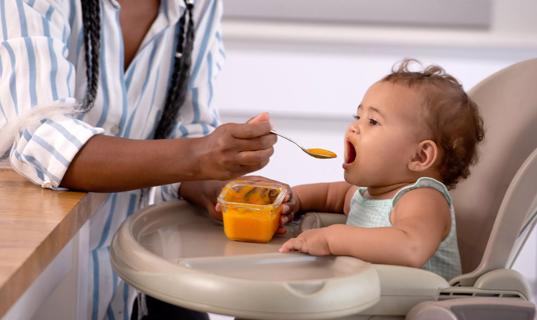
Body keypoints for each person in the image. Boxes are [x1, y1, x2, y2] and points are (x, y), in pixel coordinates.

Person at [0, 0, 276, 319]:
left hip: (135, 284)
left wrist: (218, 185)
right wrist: (200, 155)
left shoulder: (197, 5)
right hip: (40, 283)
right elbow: (40, 137)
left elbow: (189, 128)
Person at [279, 59, 485, 280]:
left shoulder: (423, 197)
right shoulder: (366, 194)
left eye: (373, 121)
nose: (354, 127)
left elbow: (411, 247)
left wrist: (333, 238)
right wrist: (293, 199)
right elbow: (331, 195)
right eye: (358, 117)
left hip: (415, 309)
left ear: (420, 156)